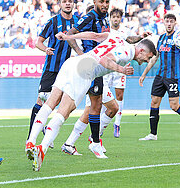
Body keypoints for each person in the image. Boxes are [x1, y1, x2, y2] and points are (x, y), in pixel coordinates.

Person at [28, 31, 156, 171]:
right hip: (85, 70)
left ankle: (30, 142)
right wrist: (121, 69)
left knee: (50, 104)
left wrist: (68, 37)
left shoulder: (118, 36)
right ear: (142, 50)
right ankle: (42, 149)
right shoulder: (127, 53)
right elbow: (103, 59)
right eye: (148, 57)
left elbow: (95, 36)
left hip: (73, 61)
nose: (147, 61)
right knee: (63, 112)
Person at [61, 8, 151, 155]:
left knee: (112, 108)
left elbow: (129, 40)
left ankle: (92, 138)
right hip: (91, 70)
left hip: (101, 75)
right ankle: (69, 141)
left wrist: (140, 37)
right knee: (86, 109)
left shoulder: (115, 34)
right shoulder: (95, 35)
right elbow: (95, 48)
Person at [26, 0, 78, 147]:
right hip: (52, 69)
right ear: (60, 4)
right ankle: (31, 137)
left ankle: (48, 130)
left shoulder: (79, 22)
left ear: (73, 4)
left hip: (70, 70)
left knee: (69, 104)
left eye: (70, 1)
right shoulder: (53, 22)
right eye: (65, 1)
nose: (68, 3)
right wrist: (46, 50)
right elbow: (39, 42)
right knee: (41, 99)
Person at [139, 13, 180, 141]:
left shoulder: (179, 38)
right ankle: (153, 134)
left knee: (174, 106)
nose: (169, 24)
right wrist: (144, 74)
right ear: (164, 22)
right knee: (154, 102)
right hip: (160, 76)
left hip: (172, 77)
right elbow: (154, 58)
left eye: (171, 21)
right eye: (167, 21)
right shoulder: (161, 38)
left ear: (175, 23)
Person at [65, 0, 111, 158]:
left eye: (107, 2)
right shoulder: (90, 17)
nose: (104, 5)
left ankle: (92, 142)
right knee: (77, 105)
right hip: (90, 65)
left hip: (97, 66)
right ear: (95, 2)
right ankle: (93, 143)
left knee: (96, 105)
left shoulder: (104, 19)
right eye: (101, 2)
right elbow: (69, 35)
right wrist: (80, 52)